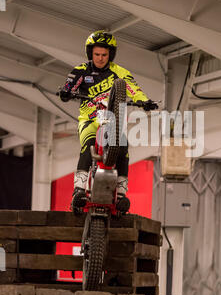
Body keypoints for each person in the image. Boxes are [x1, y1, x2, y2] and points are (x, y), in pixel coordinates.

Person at [59, 30, 157, 213]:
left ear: (110, 54)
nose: (100, 58)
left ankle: (121, 193)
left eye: (104, 55)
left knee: (124, 146)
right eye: (97, 54)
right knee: (88, 145)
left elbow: (134, 89)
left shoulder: (120, 72)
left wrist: (145, 101)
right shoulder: (81, 70)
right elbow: (68, 85)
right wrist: (66, 91)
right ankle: (78, 191)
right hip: (89, 119)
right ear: (91, 53)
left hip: (112, 121)